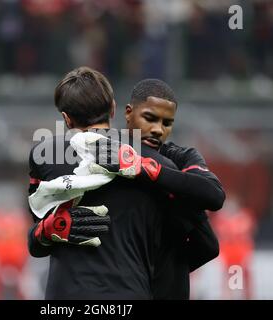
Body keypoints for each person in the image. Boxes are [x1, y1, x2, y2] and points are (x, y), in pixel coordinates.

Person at [27, 66, 180, 299]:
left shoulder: (45, 154)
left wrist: (47, 230)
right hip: (131, 293)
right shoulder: (155, 160)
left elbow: (36, 244)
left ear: (66, 119)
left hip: (66, 296)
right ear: (113, 108)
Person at [120, 79, 225, 299]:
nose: (158, 130)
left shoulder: (180, 156)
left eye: (167, 123)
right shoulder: (108, 154)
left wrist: (154, 172)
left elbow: (214, 195)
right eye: (149, 118)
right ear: (128, 113)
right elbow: (207, 244)